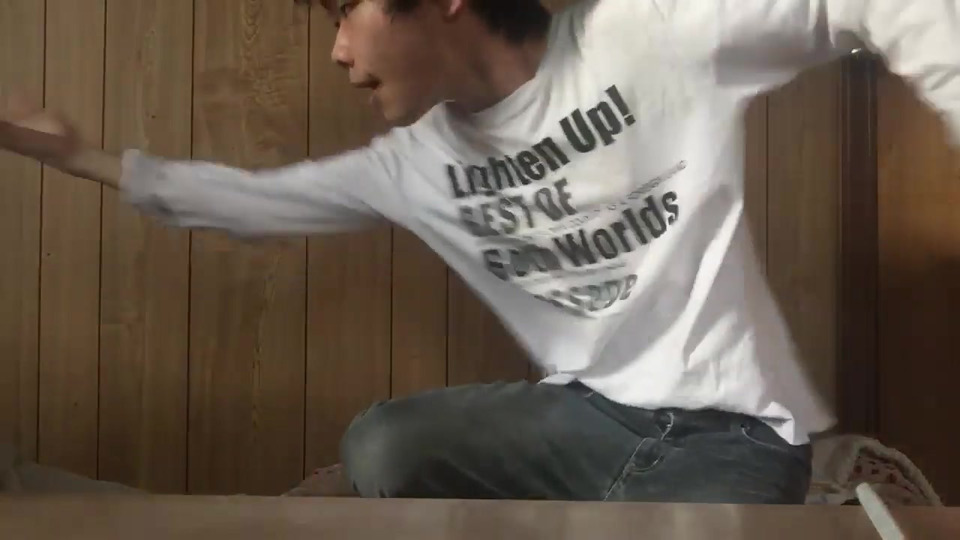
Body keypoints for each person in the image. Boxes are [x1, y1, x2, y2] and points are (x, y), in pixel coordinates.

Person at [1, 0, 958, 504]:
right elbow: (249, 201)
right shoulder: (418, 162)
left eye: (346, 9)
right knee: (383, 444)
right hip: (589, 417)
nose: (337, 50)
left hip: (736, 434)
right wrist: (72, 154)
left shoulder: (644, 38)